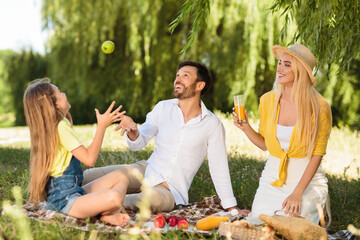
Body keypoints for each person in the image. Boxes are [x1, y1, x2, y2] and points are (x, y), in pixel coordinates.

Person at [83, 61, 249, 215]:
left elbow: (219, 167)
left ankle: (80, 206)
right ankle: (64, 196)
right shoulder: (163, 107)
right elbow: (138, 143)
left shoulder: (212, 124)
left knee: (132, 201)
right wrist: (133, 131)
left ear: (200, 85)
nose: (178, 79)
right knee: (89, 177)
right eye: (177, 75)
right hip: (146, 170)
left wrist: (232, 208)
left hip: (170, 191)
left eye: (185, 76)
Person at [233, 43, 332, 224]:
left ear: (301, 71)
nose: (280, 68)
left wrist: (298, 193)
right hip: (273, 179)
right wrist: (246, 127)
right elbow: (265, 145)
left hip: (306, 183)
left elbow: (317, 154)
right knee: (259, 225)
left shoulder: (320, 107)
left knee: (290, 229)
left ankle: (318, 207)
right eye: (280, 63)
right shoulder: (268, 100)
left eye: (287, 65)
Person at [23, 78, 131, 226]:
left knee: (120, 176)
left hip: (73, 193)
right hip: (65, 202)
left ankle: (105, 213)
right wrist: (102, 127)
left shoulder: (59, 125)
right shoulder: (60, 127)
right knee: (115, 198)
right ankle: (106, 214)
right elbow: (89, 159)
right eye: (59, 92)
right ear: (54, 104)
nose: (64, 93)